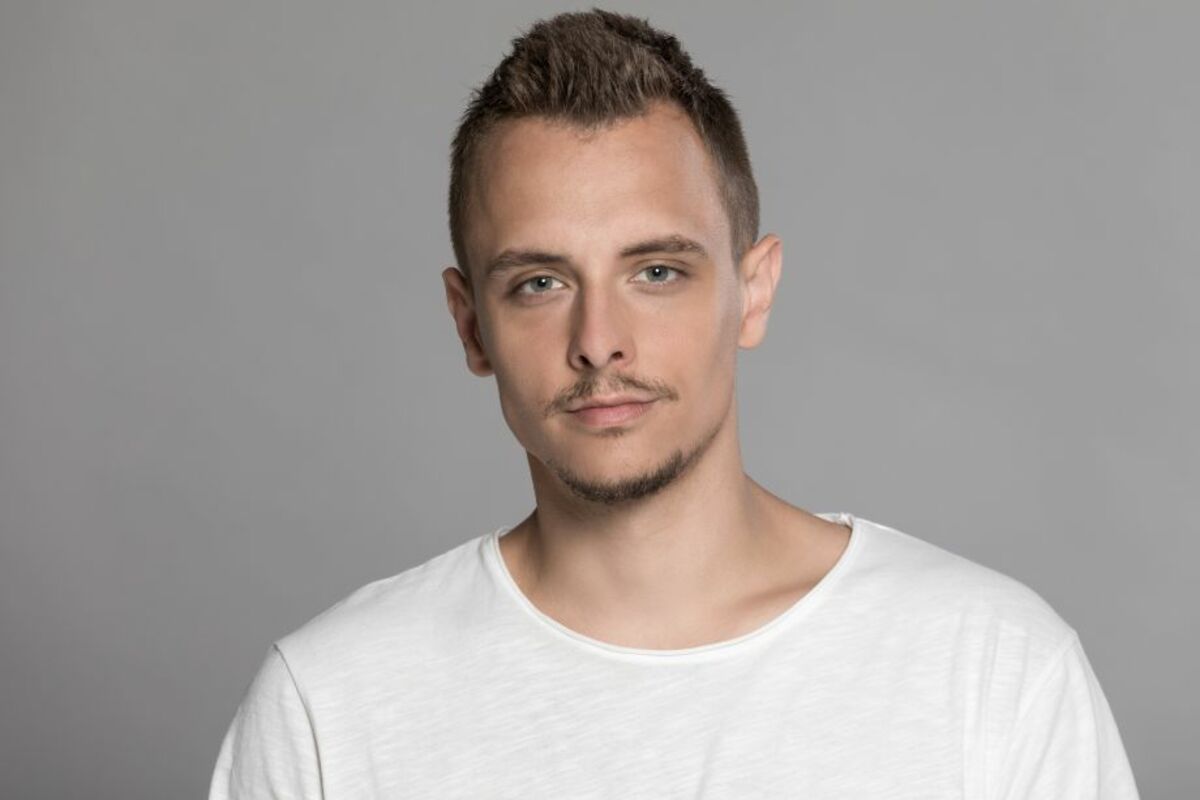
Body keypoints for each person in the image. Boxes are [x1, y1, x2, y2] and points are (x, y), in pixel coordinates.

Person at [208, 8, 1140, 798]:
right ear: (470, 325)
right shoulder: (330, 706)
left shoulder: (991, 671)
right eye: (539, 283)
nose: (599, 340)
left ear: (753, 292)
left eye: (656, 271)